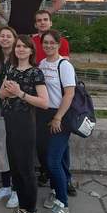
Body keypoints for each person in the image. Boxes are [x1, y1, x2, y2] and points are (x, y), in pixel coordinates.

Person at [0, 35, 49, 213]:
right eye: (18, 46)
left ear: (31, 51)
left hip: (25, 124)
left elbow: (44, 103)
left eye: (24, 46)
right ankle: (22, 207)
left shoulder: (35, 72)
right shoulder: (11, 69)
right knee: (15, 168)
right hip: (10, 122)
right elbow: (1, 94)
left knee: (26, 170)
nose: (20, 49)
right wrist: (8, 92)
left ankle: (32, 212)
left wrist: (20, 93)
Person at [38, 30, 76, 213]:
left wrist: (58, 117)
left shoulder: (64, 65)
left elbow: (69, 94)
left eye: (52, 43)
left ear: (59, 45)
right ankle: (55, 190)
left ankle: (63, 203)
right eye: (45, 42)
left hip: (60, 116)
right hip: (44, 115)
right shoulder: (42, 64)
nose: (49, 46)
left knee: (53, 161)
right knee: (52, 160)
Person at [31, 9, 71, 187]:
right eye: (39, 20)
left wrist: (59, 115)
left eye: (45, 19)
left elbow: (65, 75)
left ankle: (66, 179)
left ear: (50, 22)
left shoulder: (62, 42)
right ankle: (45, 171)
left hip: (58, 105)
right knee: (41, 143)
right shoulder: (32, 42)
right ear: (35, 24)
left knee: (62, 147)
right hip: (40, 103)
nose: (42, 22)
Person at [0, 26, 19, 209]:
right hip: (0, 108)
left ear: (14, 39)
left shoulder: (20, 58)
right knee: (0, 147)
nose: (5, 39)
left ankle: (16, 190)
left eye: (9, 36)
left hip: (17, 109)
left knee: (15, 149)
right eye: (2, 36)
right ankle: (6, 186)